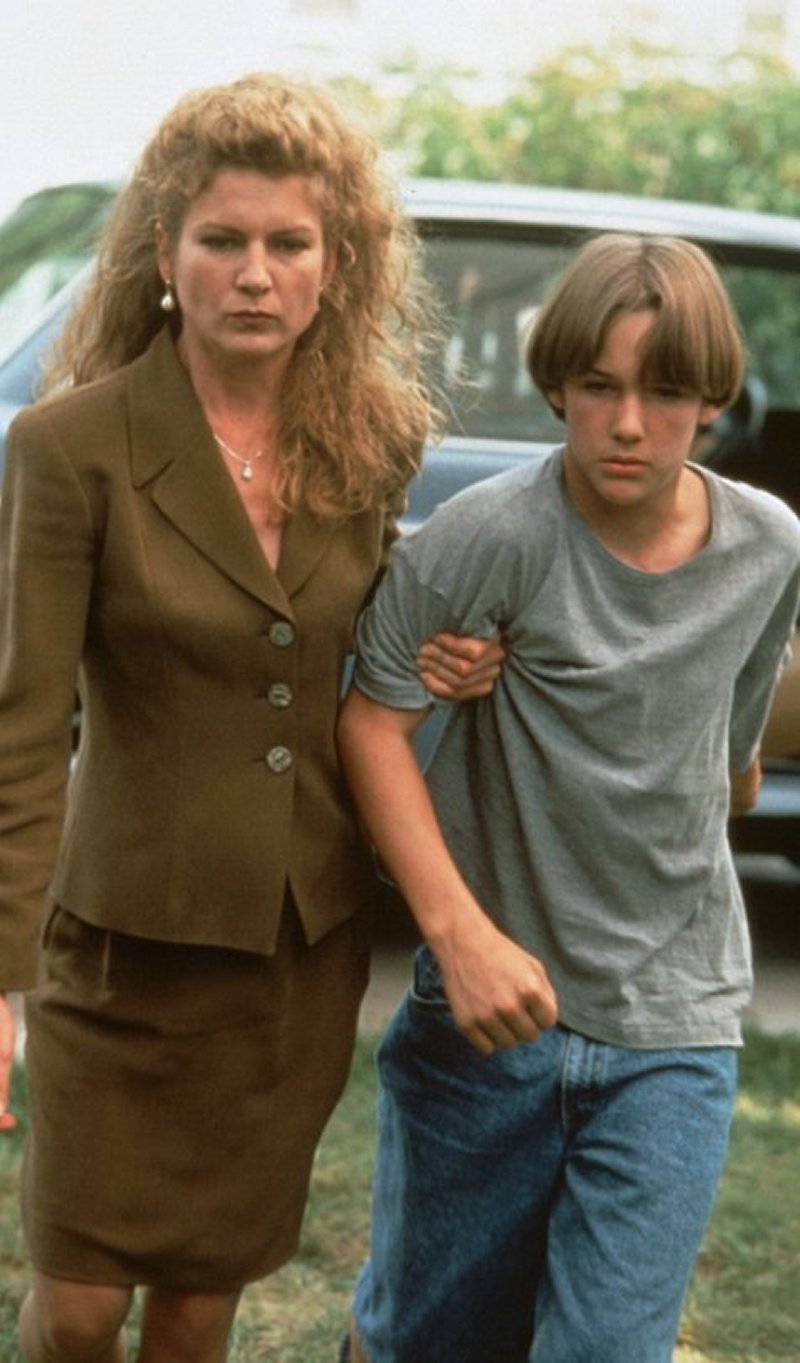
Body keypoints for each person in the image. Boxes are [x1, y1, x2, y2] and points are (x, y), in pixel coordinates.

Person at [0, 73, 502, 1363]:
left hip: (291, 952)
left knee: (198, 1304)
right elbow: (21, 732)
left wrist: (440, 659)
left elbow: (357, 650)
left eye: (290, 243)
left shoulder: (371, 441)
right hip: (115, 948)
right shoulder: (68, 447)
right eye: (222, 240)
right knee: (76, 1306)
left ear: (337, 265)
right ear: (164, 253)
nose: (256, 274)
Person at [337, 233, 800, 1363]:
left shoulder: (768, 546)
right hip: (489, 1018)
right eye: (599, 386)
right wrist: (460, 938)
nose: (628, 423)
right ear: (556, 385)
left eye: (665, 392)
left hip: (676, 1023)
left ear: (712, 400)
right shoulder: (490, 534)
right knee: (430, 1340)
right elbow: (368, 720)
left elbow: (731, 763)